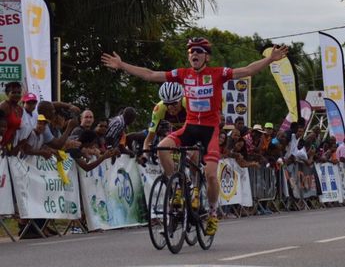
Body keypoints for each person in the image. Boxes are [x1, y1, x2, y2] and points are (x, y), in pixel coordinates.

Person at [101, 37, 288, 235]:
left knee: (209, 174)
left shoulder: (217, 73)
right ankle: (178, 187)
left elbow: (247, 70)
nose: (194, 54)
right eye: (191, 52)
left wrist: (270, 59)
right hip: (190, 128)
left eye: (199, 51)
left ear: (206, 56)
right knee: (163, 148)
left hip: (210, 130)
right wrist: (121, 65)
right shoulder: (183, 74)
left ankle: (213, 213)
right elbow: (150, 74)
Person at [143, 82, 187, 155]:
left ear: (181, 99)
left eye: (174, 103)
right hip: (175, 129)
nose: (170, 107)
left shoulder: (188, 103)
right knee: (163, 149)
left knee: (192, 152)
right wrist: (145, 154)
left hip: (191, 128)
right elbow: (149, 138)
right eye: (167, 104)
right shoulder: (159, 108)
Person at [0, 82, 23, 150]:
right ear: (7, 94)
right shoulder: (4, 106)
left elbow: (15, 130)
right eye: (13, 92)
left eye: (19, 93)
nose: (17, 95)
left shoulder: (20, 109)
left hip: (10, 146)